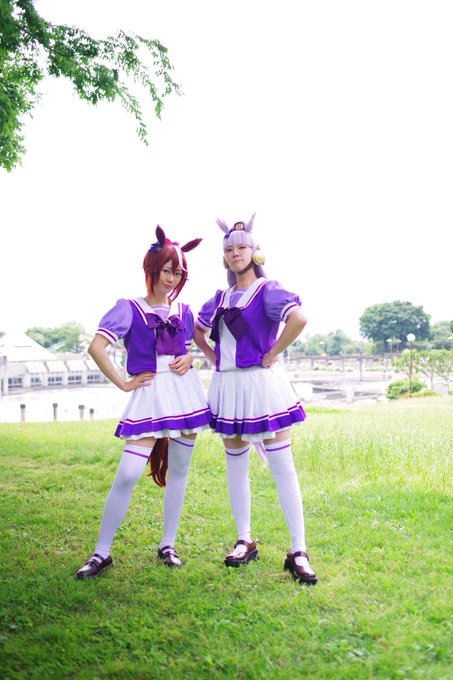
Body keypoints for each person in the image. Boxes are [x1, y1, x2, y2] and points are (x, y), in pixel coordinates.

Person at [76, 226, 211, 579]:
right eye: (167, 270)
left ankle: (168, 544)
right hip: (150, 393)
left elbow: (188, 349)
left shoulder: (184, 310)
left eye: (178, 272)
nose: (172, 278)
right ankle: (101, 552)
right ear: (152, 268)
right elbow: (97, 347)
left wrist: (191, 358)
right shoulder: (129, 308)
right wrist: (124, 383)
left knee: (179, 472)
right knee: (127, 474)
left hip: (185, 394)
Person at [194, 214, 317, 585]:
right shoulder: (219, 298)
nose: (236, 253)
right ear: (224, 256)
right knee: (236, 467)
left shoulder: (268, 290)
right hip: (229, 386)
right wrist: (212, 358)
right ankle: (244, 539)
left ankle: (298, 549)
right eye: (230, 249)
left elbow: (299, 319)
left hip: (262, 386)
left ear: (254, 252)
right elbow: (197, 331)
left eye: (242, 247)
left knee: (283, 468)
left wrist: (274, 351)